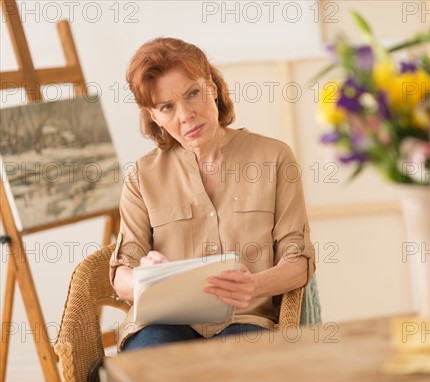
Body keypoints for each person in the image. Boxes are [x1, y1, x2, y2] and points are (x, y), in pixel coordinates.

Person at [109, 37, 316, 352]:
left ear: (213, 88)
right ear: (154, 117)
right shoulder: (142, 176)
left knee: (228, 376)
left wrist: (255, 285)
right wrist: (144, 278)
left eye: (193, 94)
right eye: (167, 107)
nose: (186, 115)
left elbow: (299, 260)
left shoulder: (275, 158)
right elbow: (120, 274)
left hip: (245, 320)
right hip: (163, 322)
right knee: (148, 372)